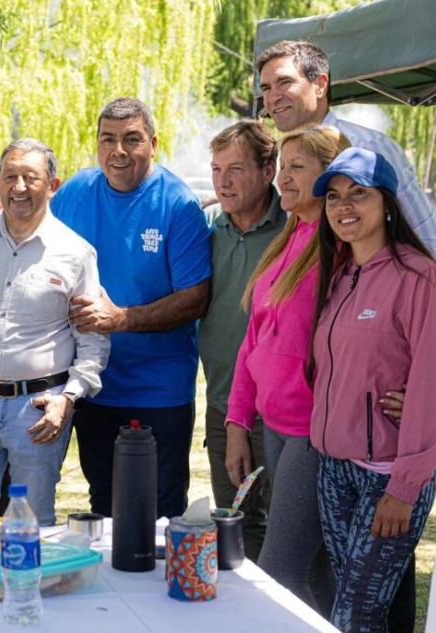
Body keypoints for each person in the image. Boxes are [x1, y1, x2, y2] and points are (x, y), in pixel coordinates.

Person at [50, 97, 211, 519]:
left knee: (159, 513)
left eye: (131, 139)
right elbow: (32, 241)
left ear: (153, 144)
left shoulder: (178, 204)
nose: (118, 151)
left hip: (158, 392)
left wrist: (121, 319)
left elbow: (195, 298)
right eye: (108, 139)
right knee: (103, 506)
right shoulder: (73, 194)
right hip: (92, 385)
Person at [0, 138, 110, 527]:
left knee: (33, 524)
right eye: (10, 177)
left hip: (39, 409)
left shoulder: (75, 253)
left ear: (52, 185)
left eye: (31, 177)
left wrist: (69, 398)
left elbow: (93, 342)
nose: (19, 187)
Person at [225, 125, 350, 614]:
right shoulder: (288, 237)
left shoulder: (342, 248)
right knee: (313, 572)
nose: (283, 177)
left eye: (297, 167)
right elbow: (253, 341)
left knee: (279, 571)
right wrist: (238, 421)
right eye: (282, 166)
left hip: (313, 431)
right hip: (273, 426)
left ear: (330, 174)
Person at [310, 147, 436, 633]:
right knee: (358, 608)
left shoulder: (418, 278)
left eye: (358, 193)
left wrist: (404, 488)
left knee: (354, 616)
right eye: (334, 197)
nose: (344, 206)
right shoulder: (340, 275)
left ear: (387, 203)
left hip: (388, 474)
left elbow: (429, 384)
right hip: (334, 470)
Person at [256, 39, 436, 252]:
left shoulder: (368, 148)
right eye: (266, 88)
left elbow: (426, 238)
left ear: (320, 85)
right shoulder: (286, 156)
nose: (273, 98)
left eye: (285, 82)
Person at [199, 120, 285, 562]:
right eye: (216, 170)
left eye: (235, 169)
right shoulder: (206, 227)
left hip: (282, 410)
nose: (223, 181)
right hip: (222, 402)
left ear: (268, 170)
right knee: (235, 523)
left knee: (286, 530)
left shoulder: (296, 230)